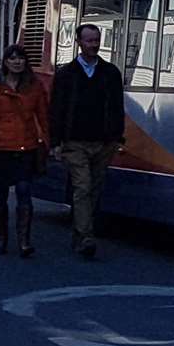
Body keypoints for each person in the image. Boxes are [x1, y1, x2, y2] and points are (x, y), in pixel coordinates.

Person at [49, 22, 125, 259]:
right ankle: (86, 237)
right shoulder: (66, 74)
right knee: (82, 187)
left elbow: (117, 107)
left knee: (94, 188)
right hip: (75, 141)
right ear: (79, 42)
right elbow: (57, 109)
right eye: (89, 41)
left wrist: (117, 137)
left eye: (96, 40)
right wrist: (56, 142)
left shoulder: (111, 73)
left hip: (104, 142)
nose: (94, 45)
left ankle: (80, 231)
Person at [0, 44, 49, 257]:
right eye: (13, 59)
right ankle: (1, 238)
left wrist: (48, 143)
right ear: (5, 62)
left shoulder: (34, 87)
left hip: (26, 147)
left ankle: (24, 241)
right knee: (0, 196)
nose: (17, 62)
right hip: (1, 149)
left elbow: (43, 117)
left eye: (21, 58)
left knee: (24, 192)